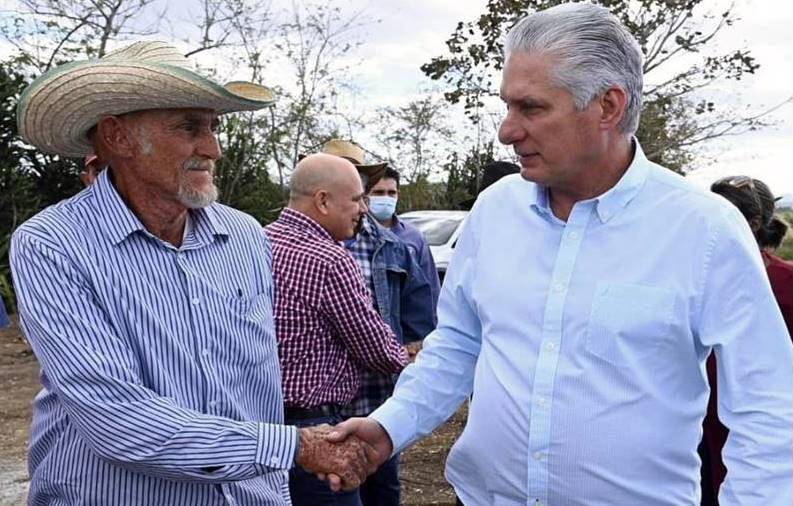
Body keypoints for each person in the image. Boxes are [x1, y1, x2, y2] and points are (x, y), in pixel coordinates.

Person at [328, 4, 793, 505]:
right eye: (507, 106)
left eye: (531, 108)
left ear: (608, 107)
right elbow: (459, 344)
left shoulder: (704, 229)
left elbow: (767, 405)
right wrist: (390, 426)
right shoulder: (495, 211)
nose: (506, 131)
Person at [10, 41, 375, 505]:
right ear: (118, 137)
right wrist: (296, 445)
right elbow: (116, 418)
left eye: (214, 127)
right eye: (189, 128)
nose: (213, 148)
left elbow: (253, 384)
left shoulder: (244, 236)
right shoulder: (53, 244)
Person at [264, 152, 410, 506]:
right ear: (323, 201)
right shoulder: (330, 260)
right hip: (317, 428)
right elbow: (377, 350)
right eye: (357, 198)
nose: (363, 208)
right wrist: (411, 361)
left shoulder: (259, 241)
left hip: (263, 427)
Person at [317, 140, 437, 506]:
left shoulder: (393, 246)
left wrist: (410, 356)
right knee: (331, 493)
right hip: (319, 409)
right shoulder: (290, 243)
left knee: (383, 491)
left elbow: (420, 316)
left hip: (377, 399)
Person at [701, 175, 793, 501]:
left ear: (753, 224)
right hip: (698, 415)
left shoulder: (785, 281)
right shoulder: (692, 273)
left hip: (757, 416)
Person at [366, 164, 441, 309]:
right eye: (379, 192)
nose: (386, 198)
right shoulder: (357, 234)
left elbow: (430, 286)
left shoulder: (414, 237)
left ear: (398, 195)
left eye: (391, 193)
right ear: (366, 195)